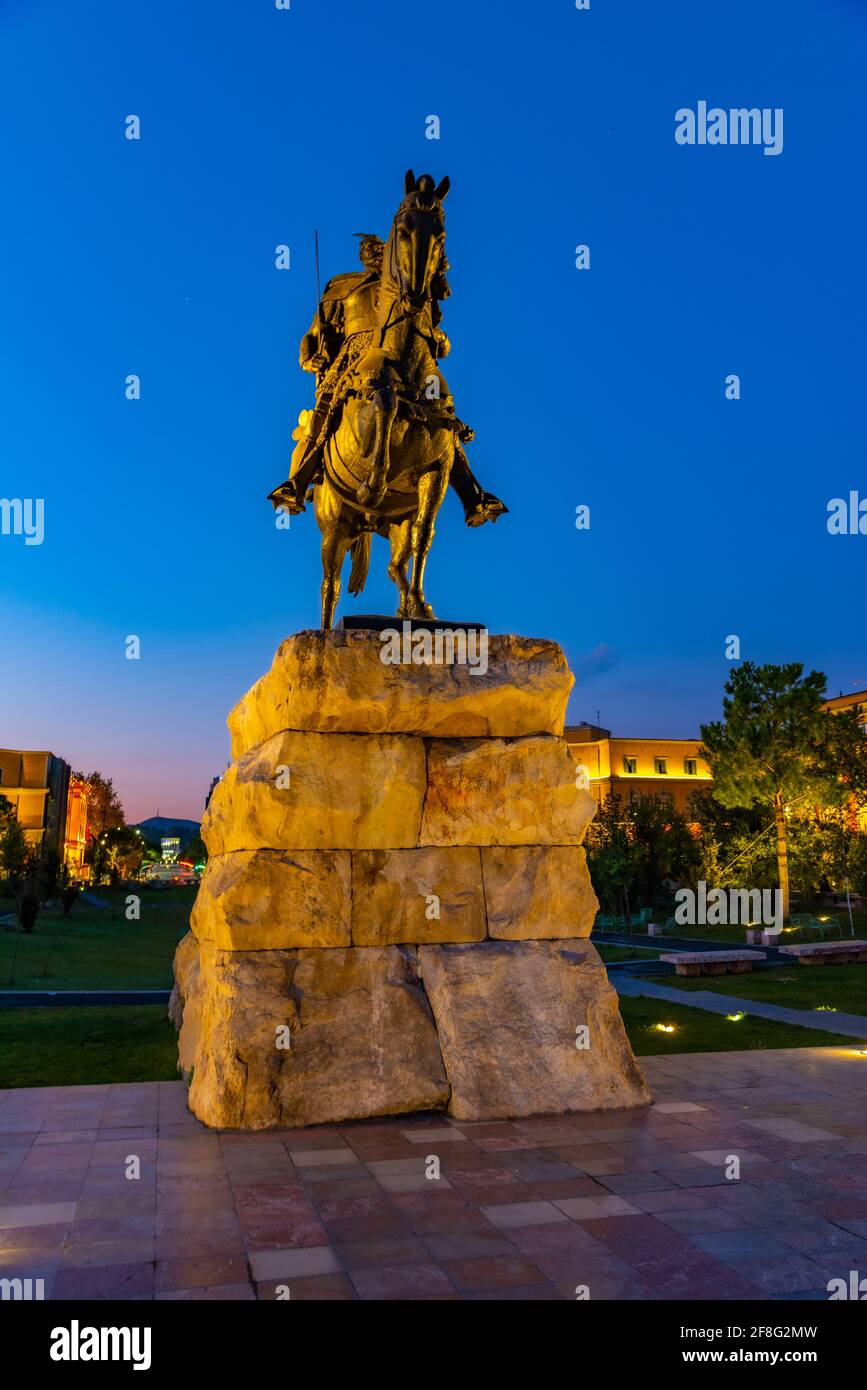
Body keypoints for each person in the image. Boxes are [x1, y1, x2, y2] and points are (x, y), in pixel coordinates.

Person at [268, 235, 506, 526]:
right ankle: (298, 481)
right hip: (354, 354)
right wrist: (308, 358)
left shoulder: (407, 288)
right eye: (369, 250)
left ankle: (472, 493)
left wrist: (435, 337)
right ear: (361, 256)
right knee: (326, 408)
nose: (375, 253)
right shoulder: (342, 285)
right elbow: (314, 333)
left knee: (440, 410)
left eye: (380, 249)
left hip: (402, 356)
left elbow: (430, 330)